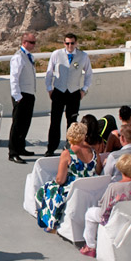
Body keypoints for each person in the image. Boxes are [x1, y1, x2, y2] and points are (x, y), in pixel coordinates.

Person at [80, 154, 131, 258]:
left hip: (116, 219)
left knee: (90, 213)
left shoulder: (114, 187)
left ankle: (90, 246)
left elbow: (104, 209)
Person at [36, 122, 97, 231]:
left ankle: (51, 221)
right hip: (90, 188)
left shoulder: (67, 154)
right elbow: (98, 171)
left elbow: (60, 180)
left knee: (47, 188)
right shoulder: (93, 152)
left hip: (73, 188)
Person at [44, 33, 93, 157]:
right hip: (59, 91)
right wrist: (49, 88)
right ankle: (51, 148)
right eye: (67, 43)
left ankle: (70, 147)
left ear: (76, 43)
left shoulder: (83, 56)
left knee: (72, 122)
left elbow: (89, 74)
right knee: (55, 121)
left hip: (74, 92)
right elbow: (49, 72)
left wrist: (84, 90)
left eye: (72, 43)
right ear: (64, 43)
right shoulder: (56, 54)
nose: (70, 46)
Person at [8, 32, 38, 164]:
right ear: (24, 42)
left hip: (29, 94)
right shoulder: (18, 57)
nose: (33, 45)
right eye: (31, 42)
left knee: (25, 123)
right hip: (21, 95)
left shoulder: (28, 56)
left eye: (34, 42)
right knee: (17, 124)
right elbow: (14, 77)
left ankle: (21, 147)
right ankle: (13, 152)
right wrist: (17, 96)